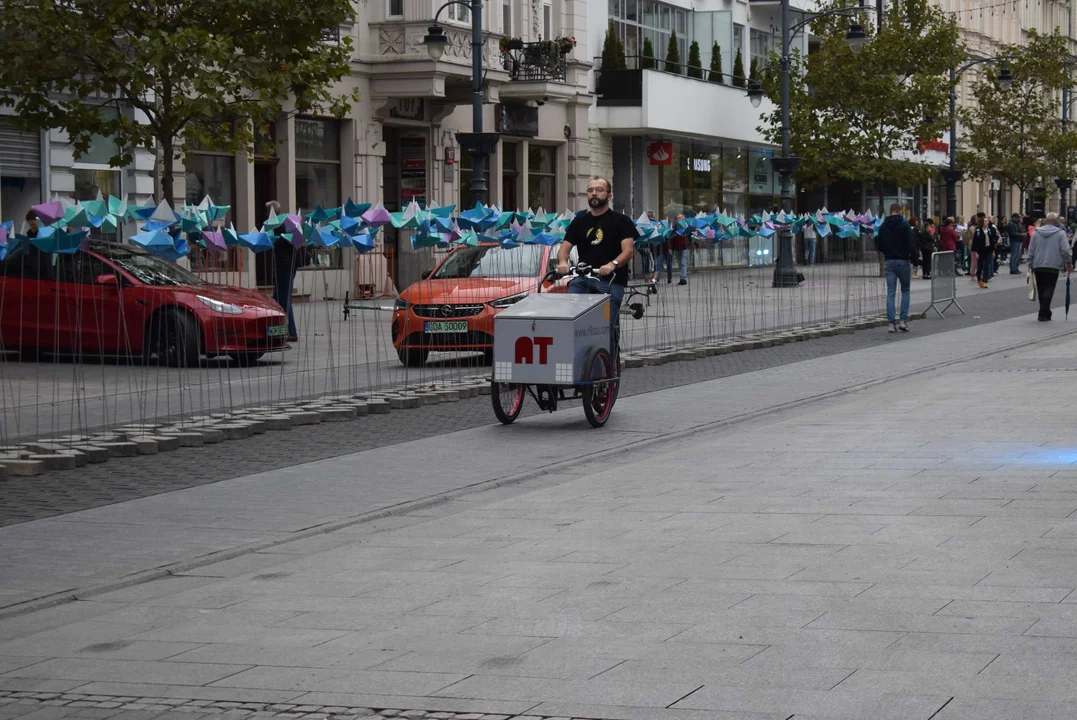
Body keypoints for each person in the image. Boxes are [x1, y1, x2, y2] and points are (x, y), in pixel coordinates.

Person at [557, 176, 638, 352]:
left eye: (599, 190)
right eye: (590, 190)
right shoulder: (579, 222)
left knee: (603, 327)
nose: (594, 193)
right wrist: (563, 262)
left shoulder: (621, 221)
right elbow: (564, 249)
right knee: (571, 320)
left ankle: (606, 366)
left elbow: (628, 251)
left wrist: (613, 264)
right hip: (582, 279)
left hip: (610, 282)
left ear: (609, 196)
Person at [877, 203, 916, 333]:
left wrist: (886, 251)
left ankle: (891, 323)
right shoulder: (904, 225)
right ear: (900, 211)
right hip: (903, 261)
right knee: (905, 290)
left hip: (889, 261)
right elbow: (911, 243)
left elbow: (878, 243)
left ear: (890, 211)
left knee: (890, 292)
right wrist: (914, 259)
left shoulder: (883, 226)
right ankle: (903, 321)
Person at [1027, 212, 1073, 321]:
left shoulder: (1036, 233)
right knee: (1049, 287)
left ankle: (1044, 312)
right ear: (1056, 220)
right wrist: (1069, 262)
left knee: (1041, 288)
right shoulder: (1060, 233)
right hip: (1053, 264)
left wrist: (1030, 262)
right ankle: (1043, 311)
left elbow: (1031, 249)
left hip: (1038, 264)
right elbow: (1065, 250)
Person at [268, 200, 299, 342]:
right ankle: (275, 330)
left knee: (285, 299)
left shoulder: (281, 226)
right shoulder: (278, 225)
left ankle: (291, 331)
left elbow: (285, 245)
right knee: (277, 299)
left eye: (268, 211)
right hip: (284, 267)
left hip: (285, 267)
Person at [970, 214, 993, 288]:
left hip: (988, 250)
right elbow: (975, 243)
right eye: (986, 221)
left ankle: (984, 281)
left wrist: (993, 251)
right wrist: (975, 252)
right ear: (982, 222)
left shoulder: (989, 230)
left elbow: (992, 241)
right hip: (981, 250)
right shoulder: (978, 231)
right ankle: (979, 278)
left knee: (987, 265)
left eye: (987, 221)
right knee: (980, 266)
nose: (987, 223)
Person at [669, 213, 690, 285]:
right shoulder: (675, 227)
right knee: (680, 263)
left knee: (683, 262)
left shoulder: (687, 226)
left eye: (679, 218)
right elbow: (671, 238)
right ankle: (682, 277)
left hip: (685, 247)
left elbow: (692, 236)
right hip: (676, 248)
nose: (678, 219)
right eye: (677, 218)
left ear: (683, 218)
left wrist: (697, 246)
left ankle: (683, 278)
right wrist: (670, 248)